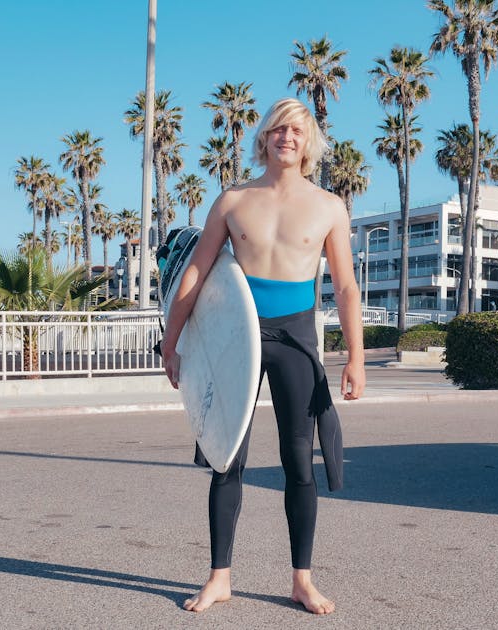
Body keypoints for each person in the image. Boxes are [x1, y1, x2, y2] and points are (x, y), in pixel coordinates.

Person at [160, 97, 366, 615]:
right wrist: (173, 337)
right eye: (278, 130)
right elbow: (197, 272)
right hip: (238, 333)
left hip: (295, 337)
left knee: (299, 462)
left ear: (309, 142)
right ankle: (219, 578)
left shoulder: (328, 206)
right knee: (226, 456)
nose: (287, 138)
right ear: (264, 138)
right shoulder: (233, 201)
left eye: (297, 131)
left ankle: (302, 579)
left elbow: (344, 286)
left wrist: (356, 357)